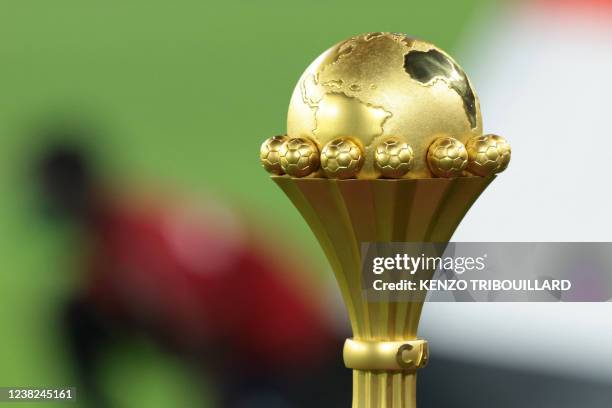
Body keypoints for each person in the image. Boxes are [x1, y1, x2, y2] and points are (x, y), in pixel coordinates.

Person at [35, 138, 349, 407]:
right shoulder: (117, 240)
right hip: (262, 355)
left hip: (290, 361)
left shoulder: (137, 244)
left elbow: (196, 319)